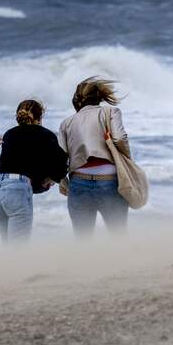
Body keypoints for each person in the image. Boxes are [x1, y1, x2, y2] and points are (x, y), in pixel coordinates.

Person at [57, 77, 131, 237]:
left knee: (83, 239)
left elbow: (60, 158)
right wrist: (127, 160)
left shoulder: (66, 123)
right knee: (119, 236)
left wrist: (64, 183)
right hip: (109, 181)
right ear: (99, 97)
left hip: (79, 182)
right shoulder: (110, 112)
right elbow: (119, 138)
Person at [0, 99, 68, 243]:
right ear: (39, 118)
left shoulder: (9, 134)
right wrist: (52, 179)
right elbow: (62, 164)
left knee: (7, 246)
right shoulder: (45, 135)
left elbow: (21, 164)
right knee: (19, 247)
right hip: (17, 189)